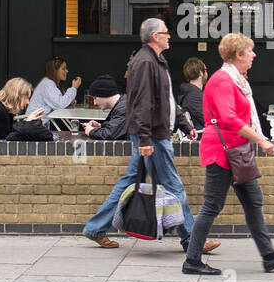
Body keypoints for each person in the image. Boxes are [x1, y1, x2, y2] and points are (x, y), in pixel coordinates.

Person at [80, 17, 215, 254]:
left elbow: (167, 99)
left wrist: (183, 124)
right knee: (174, 187)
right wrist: (144, 139)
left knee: (130, 181)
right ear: (155, 36)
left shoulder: (157, 60)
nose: (169, 35)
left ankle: (95, 227)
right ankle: (192, 240)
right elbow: (141, 103)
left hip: (154, 134)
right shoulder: (144, 62)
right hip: (153, 136)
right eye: (166, 32)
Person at [183, 33, 274, 276]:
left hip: (237, 151)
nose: (254, 55)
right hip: (223, 151)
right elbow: (229, 118)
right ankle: (192, 260)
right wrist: (261, 140)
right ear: (238, 55)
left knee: (253, 202)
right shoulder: (223, 81)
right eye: (250, 51)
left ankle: (268, 256)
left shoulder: (236, 81)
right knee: (212, 205)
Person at [27, 57, 82, 121]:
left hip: (41, 123)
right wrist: (74, 88)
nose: (67, 71)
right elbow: (60, 104)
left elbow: (59, 103)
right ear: (55, 71)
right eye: (63, 69)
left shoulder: (50, 83)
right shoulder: (47, 84)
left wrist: (69, 101)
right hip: (34, 124)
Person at [82, 75, 129, 140]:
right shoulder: (122, 104)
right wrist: (100, 126)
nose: (94, 103)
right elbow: (116, 127)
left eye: (95, 98)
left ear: (104, 94)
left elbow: (110, 134)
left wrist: (91, 131)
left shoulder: (123, 108)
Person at [177, 57, 208, 129]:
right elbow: (207, 120)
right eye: (205, 70)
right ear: (200, 73)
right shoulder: (194, 96)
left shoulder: (188, 92)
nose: (207, 73)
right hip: (201, 137)